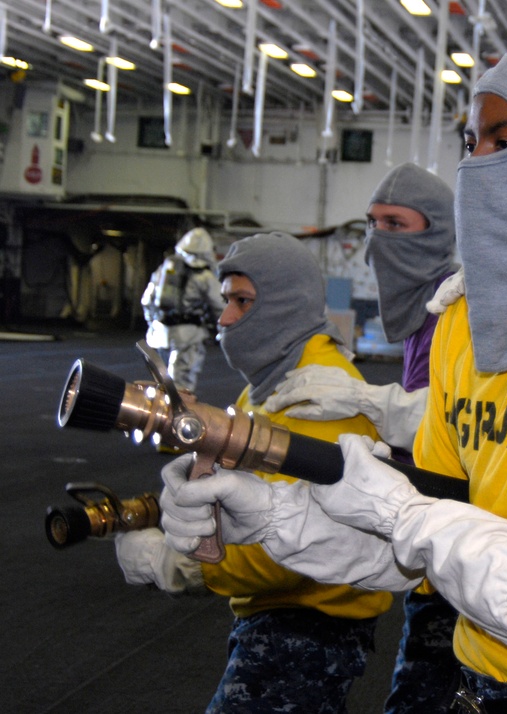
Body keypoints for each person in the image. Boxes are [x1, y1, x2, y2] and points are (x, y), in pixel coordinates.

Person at [159, 40, 507, 713]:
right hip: (481, 684)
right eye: (470, 138)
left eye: (503, 139)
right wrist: (278, 520)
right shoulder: (463, 325)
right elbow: (423, 540)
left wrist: (398, 510)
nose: (474, 162)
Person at [116, 231, 398, 713]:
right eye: (227, 301)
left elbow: (297, 545)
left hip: (308, 629)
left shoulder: (321, 400)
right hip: (278, 620)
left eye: (243, 302)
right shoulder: (268, 390)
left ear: (285, 304)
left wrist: (180, 564)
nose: (225, 319)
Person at [265, 162, 463, 713]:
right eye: (373, 223)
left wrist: (366, 403)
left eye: (397, 223)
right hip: (435, 557)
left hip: (464, 558)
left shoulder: (455, 316)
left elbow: (466, 424)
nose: (379, 240)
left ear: (439, 233)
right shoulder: (424, 322)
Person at [141, 227, 226, 394]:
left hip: (159, 334)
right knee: (182, 386)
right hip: (188, 336)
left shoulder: (165, 268)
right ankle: (177, 418)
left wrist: (153, 323)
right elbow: (220, 306)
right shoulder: (203, 275)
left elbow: (147, 300)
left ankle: (159, 415)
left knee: (161, 382)